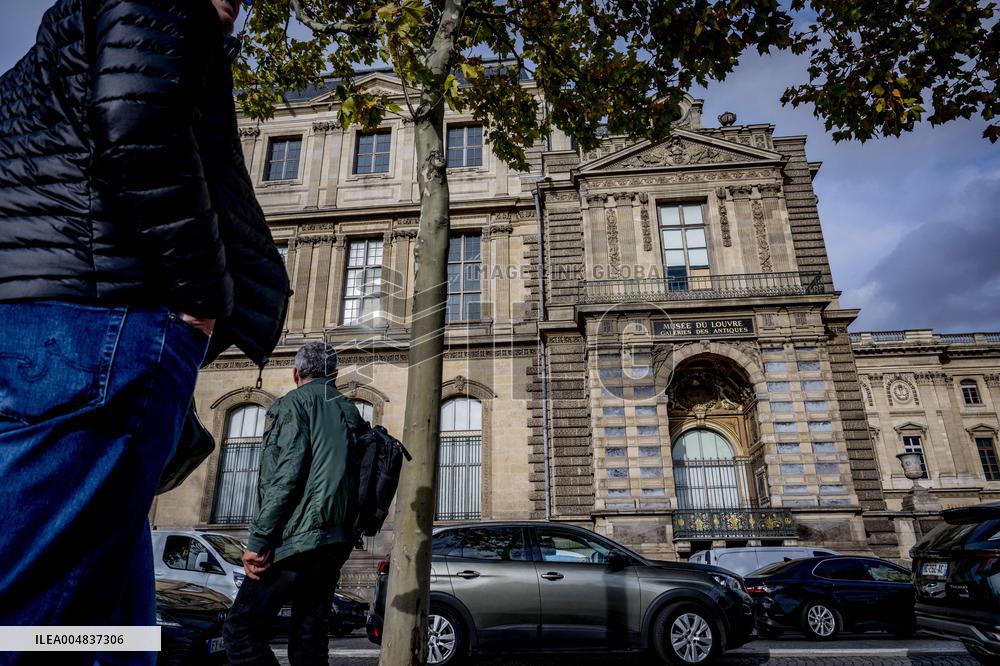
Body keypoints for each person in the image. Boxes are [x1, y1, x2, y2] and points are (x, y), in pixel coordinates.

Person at [0, 0, 288, 663]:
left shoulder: (51, 51)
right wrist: (202, 296)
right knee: (26, 612)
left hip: (50, 323)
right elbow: (135, 118)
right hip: (102, 329)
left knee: (114, 629)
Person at [224, 342, 367, 666]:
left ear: (295, 373)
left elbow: (283, 478)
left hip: (295, 542)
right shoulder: (349, 410)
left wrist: (259, 540)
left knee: (240, 632)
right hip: (334, 542)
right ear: (334, 373)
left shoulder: (292, 405)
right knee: (309, 642)